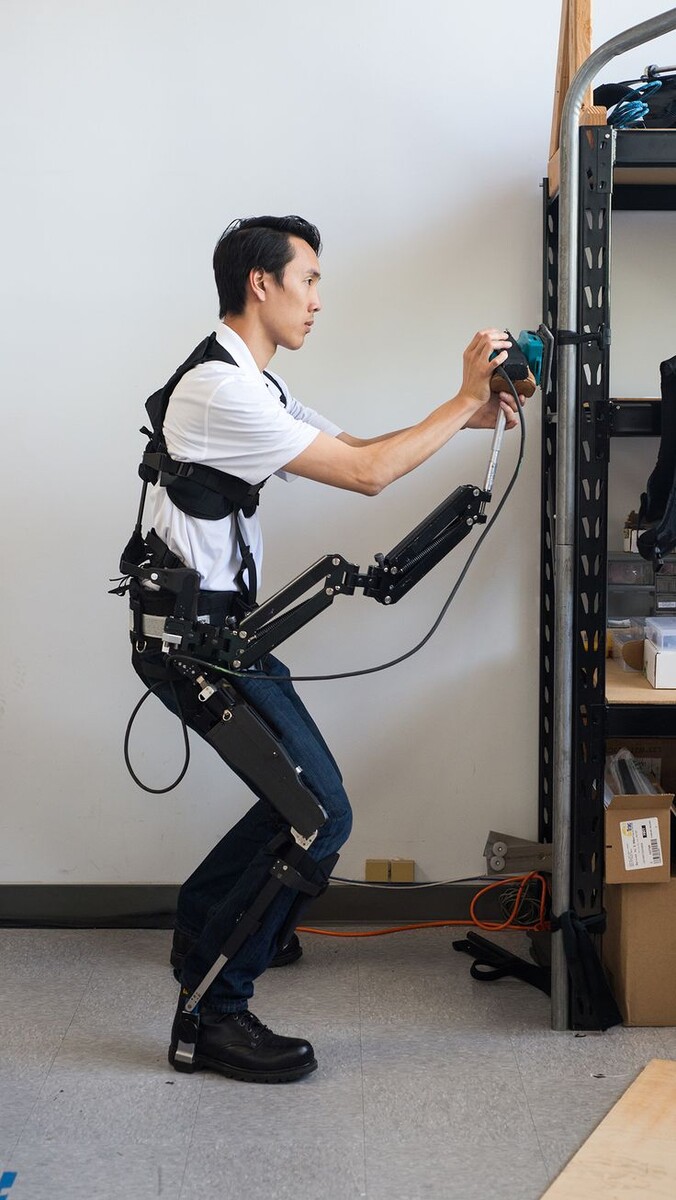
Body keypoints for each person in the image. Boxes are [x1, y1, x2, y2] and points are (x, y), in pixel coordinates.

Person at [131, 214, 519, 1085]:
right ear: (260, 283)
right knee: (318, 814)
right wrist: (462, 399)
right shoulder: (220, 392)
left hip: (220, 637)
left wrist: (467, 413)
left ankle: (203, 928)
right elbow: (368, 476)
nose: (317, 300)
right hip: (195, 648)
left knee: (300, 803)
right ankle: (210, 1016)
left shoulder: (252, 384)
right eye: (307, 280)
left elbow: (354, 449)